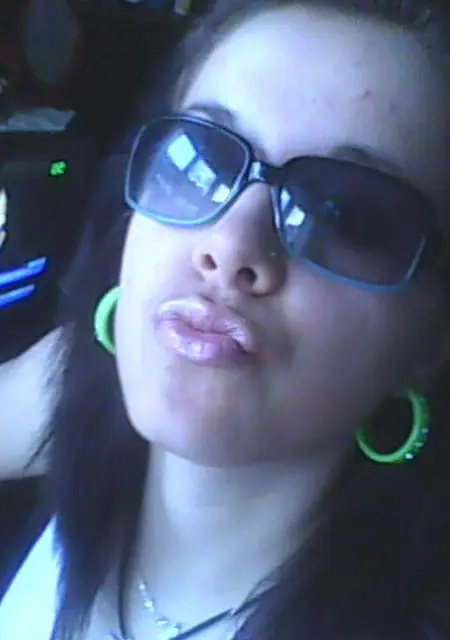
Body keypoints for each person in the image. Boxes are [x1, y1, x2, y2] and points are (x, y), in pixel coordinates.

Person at [2, 0, 450, 638]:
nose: (230, 244)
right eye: (203, 158)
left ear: (433, 336)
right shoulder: (69, 383)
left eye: (344, 214)